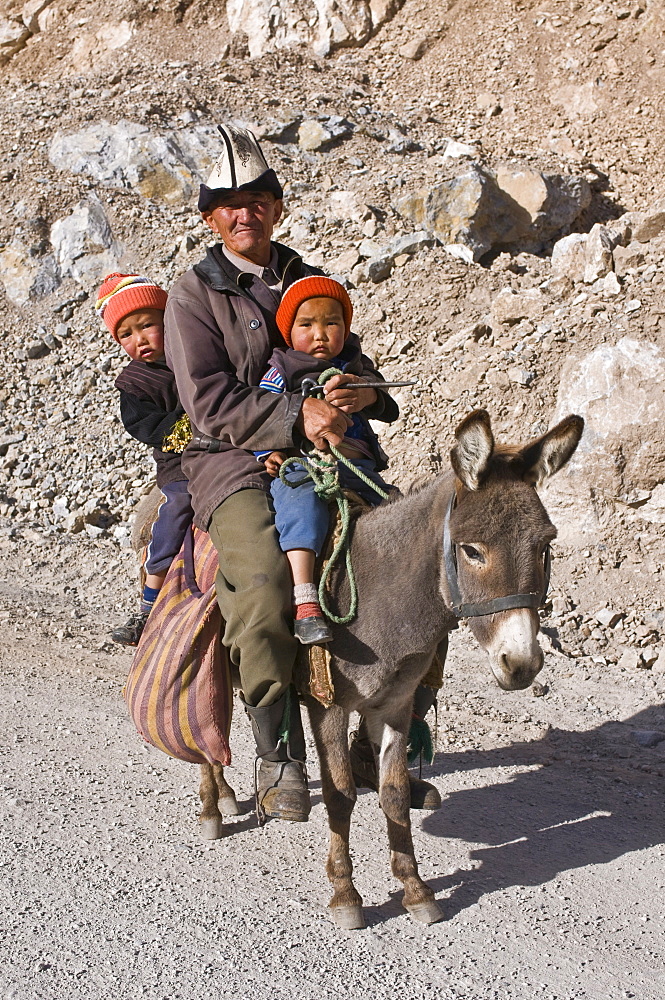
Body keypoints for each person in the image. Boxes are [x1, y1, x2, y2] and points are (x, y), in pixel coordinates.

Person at [164, 124, 439, 823]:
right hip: (230, 461)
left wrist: (363, 395)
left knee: (425, 561)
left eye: (256, 198)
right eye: (227, 203)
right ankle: (277, 744)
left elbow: (360, 364)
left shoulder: (306, 278)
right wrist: (297, 418)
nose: (243, 213)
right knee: (258, 586)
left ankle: (398, 733)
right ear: (208, 217)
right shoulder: (191, 296)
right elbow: (207, 400)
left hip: (334, 451)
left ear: (277, 207)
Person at [254, 275, 393, 645]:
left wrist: (364, 396)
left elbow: (387, 404)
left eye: (332, 323)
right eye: (307, 324)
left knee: (400, 515)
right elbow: (261, 414)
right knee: (299, 506)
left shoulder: (355, 366)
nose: (320, 334)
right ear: (288, 332)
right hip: (305, 464)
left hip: (356, 467)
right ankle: (305, 601)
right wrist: (268, 453)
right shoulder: (280, 369)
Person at [96, 273, 194, 646]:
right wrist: (198, 424)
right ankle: (148, 604)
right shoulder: (136, 385)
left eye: (147, 325)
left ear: (167, 320)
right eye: (126, 334)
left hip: (229, 452)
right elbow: (149, 427)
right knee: (175, 511)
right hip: (180, 466)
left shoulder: (199, 353)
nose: (139, 340)